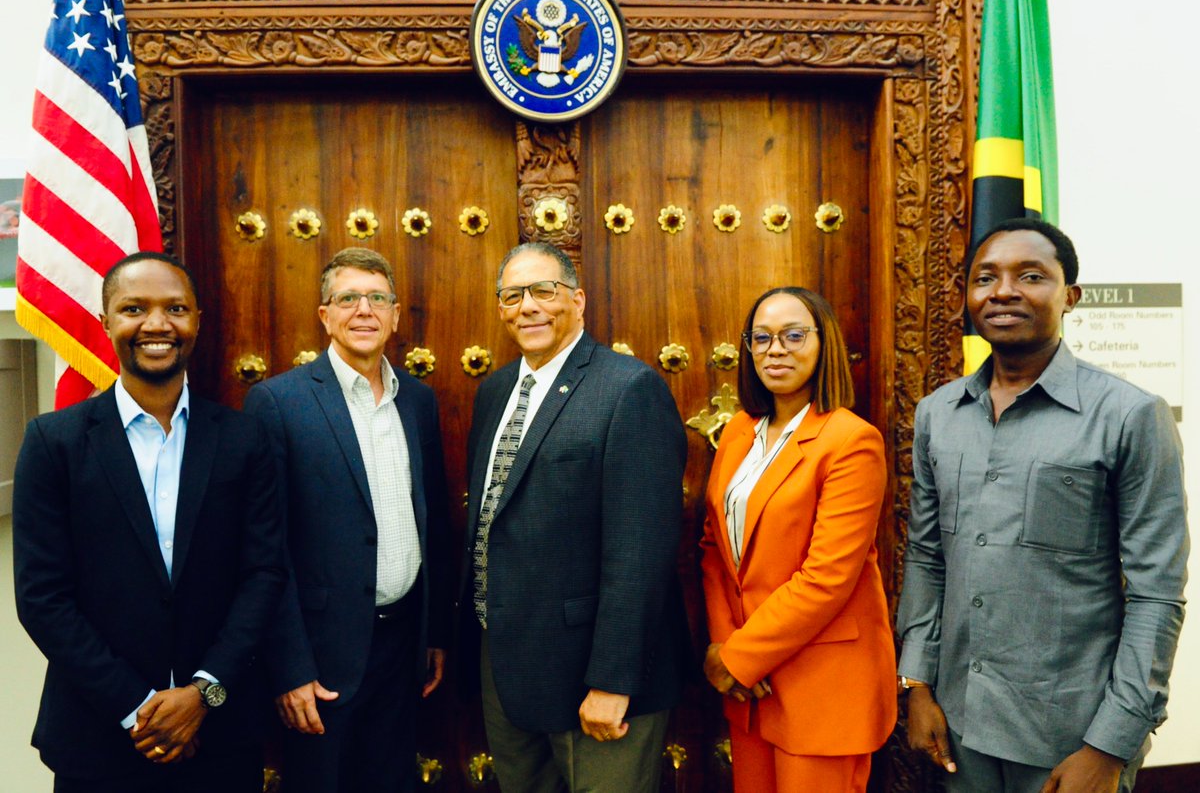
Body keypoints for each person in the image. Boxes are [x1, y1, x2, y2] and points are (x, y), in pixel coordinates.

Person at [896, 218, 1189, 793]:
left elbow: (1157, 594)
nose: (1003, 291)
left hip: (1069, 734)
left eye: (1030, 275)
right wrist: (918, 685)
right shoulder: (939, 414)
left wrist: (1110, 745)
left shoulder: (1128, 415)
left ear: (1070, 296)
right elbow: (928, 559)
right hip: (960, 723)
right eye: (985, 278)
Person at [13, 252, 286, 792]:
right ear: (107, 322)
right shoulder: (54, 442)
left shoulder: (243, 439)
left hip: (220, 735)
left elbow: (264, 574)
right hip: (98, 738)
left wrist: (202, 694)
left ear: (197, 322)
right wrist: (136, 707)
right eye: (134, 308)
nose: (157, 324)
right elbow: (43, 598)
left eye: (175, 308)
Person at [460, 241, 690, 793]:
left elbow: (640, 553)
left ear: (578, 301)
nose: (528, 306)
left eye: (544, 291)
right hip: (507, 665)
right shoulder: (494, 392)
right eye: (513, 295)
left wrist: (613, 681)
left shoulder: (628, 388)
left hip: (595, 674)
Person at [243, 247, 450, 793]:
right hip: (321, 658)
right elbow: (266, 549)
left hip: (402, 646)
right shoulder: (278, 402)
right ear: (325, 315)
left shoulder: (418, 401)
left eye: (378, 298)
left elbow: (432, 522)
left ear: (396, 315)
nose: (364, 310)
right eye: (348, 298)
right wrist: (290, 668)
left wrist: (433, 633)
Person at [699, 286, 896, 792]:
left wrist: (740, 658)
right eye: (761, 338)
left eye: (792, 335)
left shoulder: (850, 441)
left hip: (819, 686)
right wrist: (727, 646)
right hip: (752, 688)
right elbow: (713, 550)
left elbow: (827, 577)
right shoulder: (741, 431)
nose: (775, 349)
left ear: (823, 342)